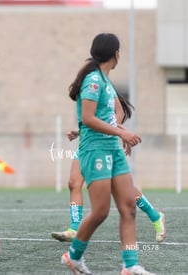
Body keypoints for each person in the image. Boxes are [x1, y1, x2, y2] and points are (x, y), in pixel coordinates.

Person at [60, 33, 155, 274]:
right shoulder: (93, 80)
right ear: (116, 54)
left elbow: (106, 118)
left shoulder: (105, 80)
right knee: (100, 212)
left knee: (128, 207)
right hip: (95, 150)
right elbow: (88, 118)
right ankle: (73, 257)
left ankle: (130, 265)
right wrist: (122, 134)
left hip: (113, 150)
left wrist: (124, 134)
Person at [51, 95, 165, 244]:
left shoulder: (101, 84)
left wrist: (122, 133)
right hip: (85, 146)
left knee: (121, 188)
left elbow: (114, 118)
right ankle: (74, 229)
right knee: (73, 183)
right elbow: (92, 121)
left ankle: (155, 216)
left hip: (104, 147)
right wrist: (79, 132)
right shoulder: (88, 87)